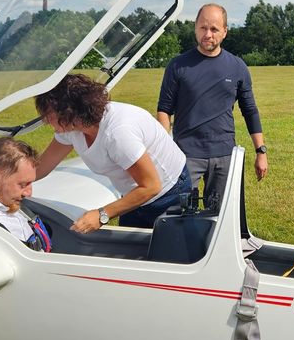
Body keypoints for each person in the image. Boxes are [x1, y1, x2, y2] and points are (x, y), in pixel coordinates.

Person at [36, 74, 191, 232]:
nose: (46, 120)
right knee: (133, 251)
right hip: (134, 191)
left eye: (49, 115)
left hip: (169, 192)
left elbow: (151, 186)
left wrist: (102, 214)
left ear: (70, 113)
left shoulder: (117, 133)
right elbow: (41, 167)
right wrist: (15, 182)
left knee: (169, 251)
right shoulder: (70, 129)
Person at [157, 3, 268, 209]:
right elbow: (164, 109)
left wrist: (260, 152)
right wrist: (166, 148)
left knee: (220, 217)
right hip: (186, 155)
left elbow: (250, 110)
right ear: (195, 28)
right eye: (203, 28)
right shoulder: (178, 65)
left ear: (225, 32)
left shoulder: (237, 66)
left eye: (214, 29)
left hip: (224, 154)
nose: (208, 34)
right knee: (181, 215)